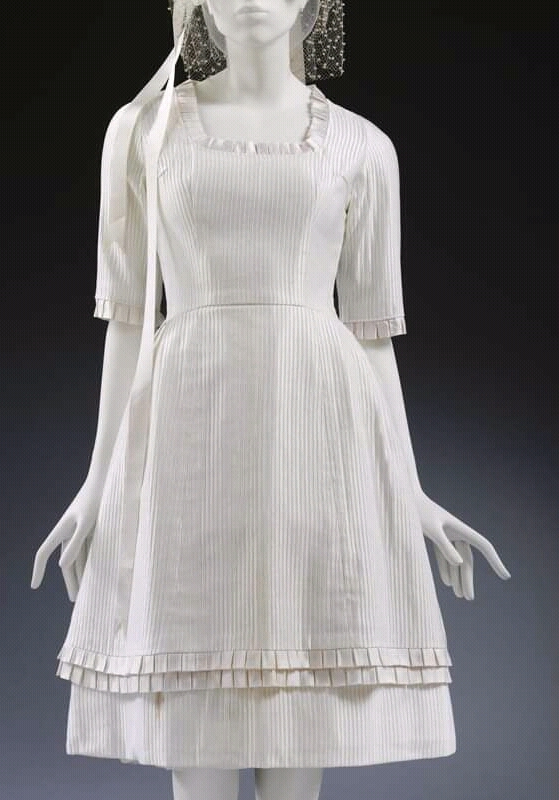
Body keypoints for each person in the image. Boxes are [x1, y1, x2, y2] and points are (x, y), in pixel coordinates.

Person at [31, 1, 511, 798]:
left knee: (300, 714)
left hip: (315, 436)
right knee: (193, 709)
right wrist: (95, 484)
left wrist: (412, 490)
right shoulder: (143, 131)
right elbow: (127, 320)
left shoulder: (361, 147)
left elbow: (371, 333)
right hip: (189, 433)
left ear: (314, 2)